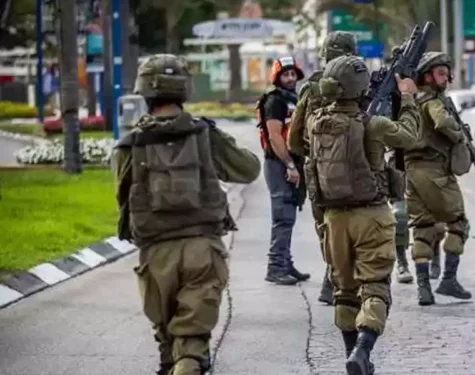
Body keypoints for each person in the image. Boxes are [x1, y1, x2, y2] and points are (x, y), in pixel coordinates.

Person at [112, 54, 261, 375]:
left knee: (168, 342)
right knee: (191, 345)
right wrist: (216, 135)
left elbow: (123, 201)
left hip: (155, 254)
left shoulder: (127, 145)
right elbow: (249, 168)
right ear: (185, 90)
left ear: (143, 92)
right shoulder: (203, 134)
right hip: (202, 250)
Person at [306, 55, 421, 375]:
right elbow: (410, 136)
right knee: (375, 287)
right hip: (371, 215)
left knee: (344, 292)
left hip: (333, 219)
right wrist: (409, 97)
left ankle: (352, 355)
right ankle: (362, 350)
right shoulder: (373, 124)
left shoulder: (316, 122)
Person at [288, 31, 358, 303]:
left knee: (326, 227)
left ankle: (333, 278)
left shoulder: (310, 87)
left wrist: (318, 153)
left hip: (320, 170)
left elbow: (294, 138)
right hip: (358, 167)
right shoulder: (362, 85)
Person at [404, 52, 474, 306]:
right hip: (435, 172)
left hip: (411, 173)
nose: (446, 78)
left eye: (447, 73)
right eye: (441, 73)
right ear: (428, 76)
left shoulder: (410, 101)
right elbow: (442, 120)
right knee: (458, 224)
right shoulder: (432, 101)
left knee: (422, 230)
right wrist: (458, 135)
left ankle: (424, 288)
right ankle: (448, 279)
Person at [256, 56, 311, 285]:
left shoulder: (294, 99)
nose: (290, 78)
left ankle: (285, 263)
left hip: (293, 161)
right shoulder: (274, 101)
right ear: (277, 77)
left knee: (289, 212)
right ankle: (275, 267)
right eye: (285, 74)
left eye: (292, 74)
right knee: (283, 215)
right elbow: (275, 137)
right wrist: (289, 165)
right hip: (279, 163)